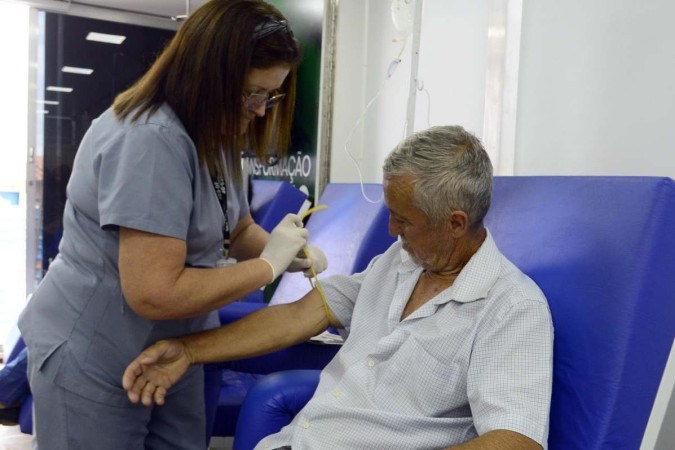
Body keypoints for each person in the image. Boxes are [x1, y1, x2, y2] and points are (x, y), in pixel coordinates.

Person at [123, 125, 554, 449]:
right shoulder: (399, 262)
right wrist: (189, 350)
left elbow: (516, 441)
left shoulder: (510, 307)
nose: (391, 230)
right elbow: (299, 315)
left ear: (455, 223)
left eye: (403, 220)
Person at [18, 1, 327, 448]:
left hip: (175, 346)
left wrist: (281, 251)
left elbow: (234, 229)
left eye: (270, 95)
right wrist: (267, 268)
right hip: (97, 353)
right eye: (251, 94)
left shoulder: (215, 132)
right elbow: (153, 291)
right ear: (207, 79)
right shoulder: (148, 140)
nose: (261, 110)